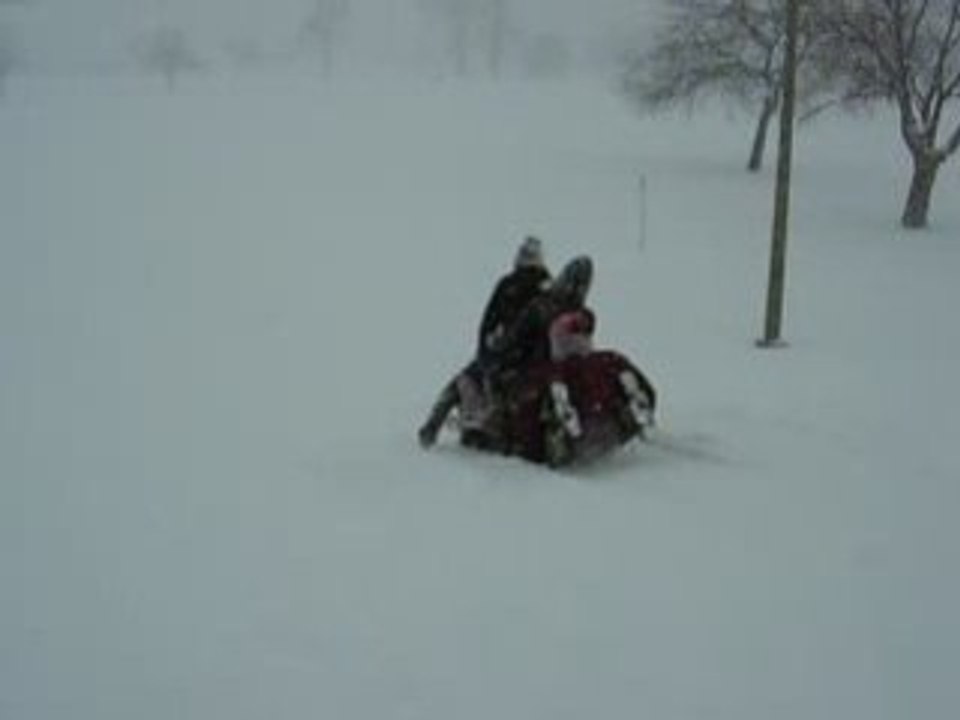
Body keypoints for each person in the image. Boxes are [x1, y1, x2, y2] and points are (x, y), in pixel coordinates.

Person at [418, 237, 551, 449]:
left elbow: (487, 324)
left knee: (458, 384)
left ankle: (430, 430)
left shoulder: (508, 284)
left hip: (507, 354)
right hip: (540, 358)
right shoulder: (548, 287)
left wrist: (487, 355)